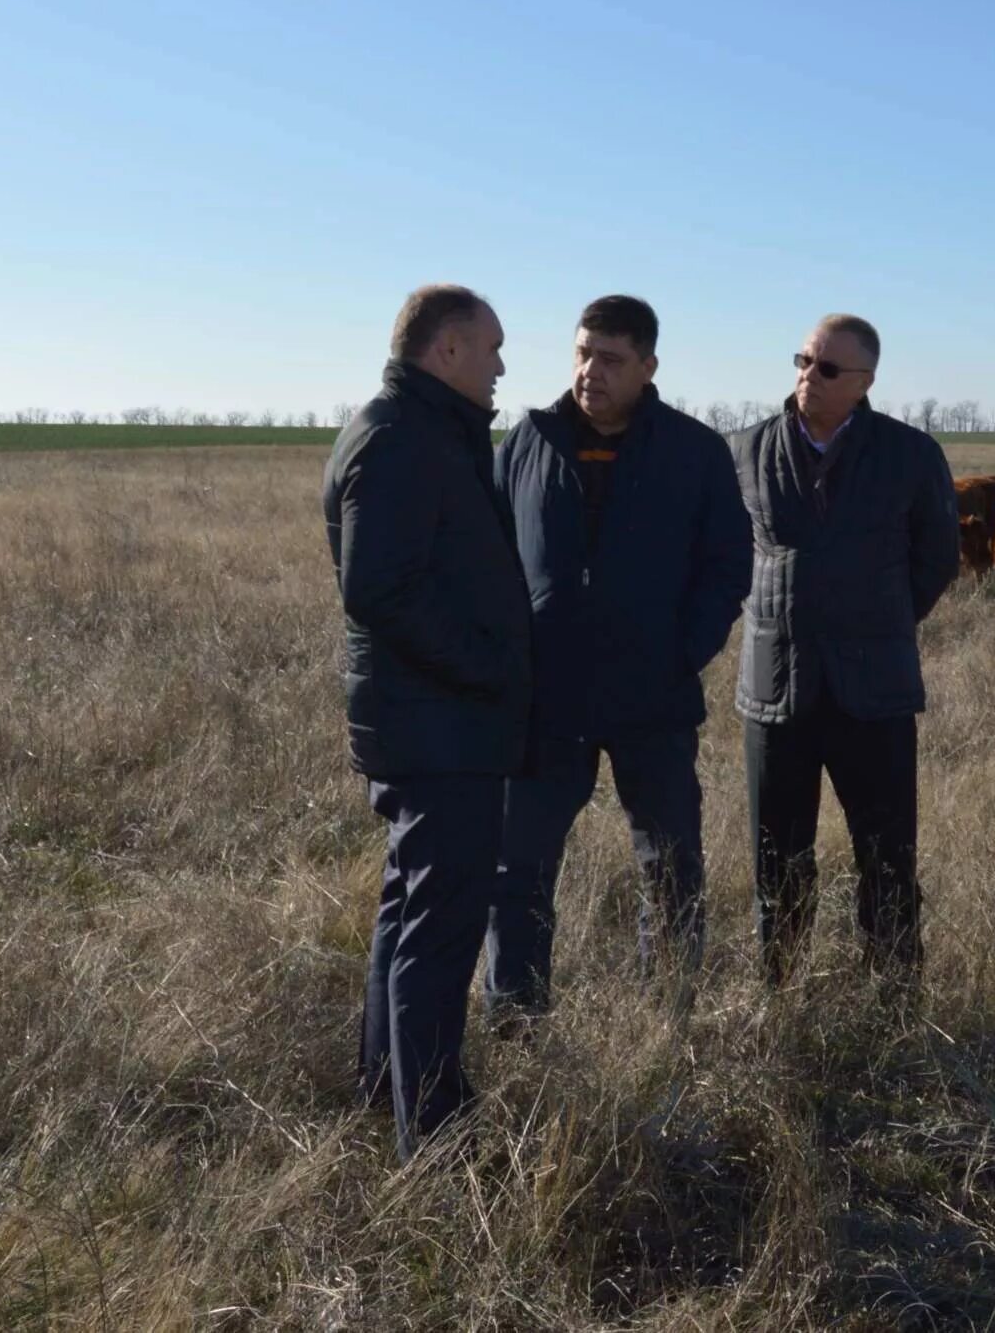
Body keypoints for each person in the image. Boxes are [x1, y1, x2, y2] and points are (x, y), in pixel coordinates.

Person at [485, 295, 752, 1017]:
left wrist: (682, 652)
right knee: (520, 867)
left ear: (648, 366)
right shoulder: (528, 443)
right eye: (581, 353)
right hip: (547, 697)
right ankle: (516, 1015)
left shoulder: (693, 452)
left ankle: (665, 1012)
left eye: (610, 359)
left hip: (652, 696)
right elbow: (494, 558)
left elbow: (727, 564)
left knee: (668, 864)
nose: (589, 371)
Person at [321, 284, 529, 1158]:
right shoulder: (402, 438)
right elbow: (377, 587)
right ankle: (433, 1133)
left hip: (433, 721)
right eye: (491, 348)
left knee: (411, 907)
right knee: (441, 929)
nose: (501, 366)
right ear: (446, 350)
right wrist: (485, 666)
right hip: (437, 727)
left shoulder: (424, 428)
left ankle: (392, 1083)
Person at [728, 314, 956, 983]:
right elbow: (716, 555)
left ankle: (893, 995)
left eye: (826, 369)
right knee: (778, 857)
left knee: (887, 855)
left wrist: (876, 619)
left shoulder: (911, 455)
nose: (807, 376)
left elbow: (936, 558)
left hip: (874, 690)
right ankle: (782, 991)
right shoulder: (743, 450)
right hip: (775, 688)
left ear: (865, 382)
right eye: (801, 360)